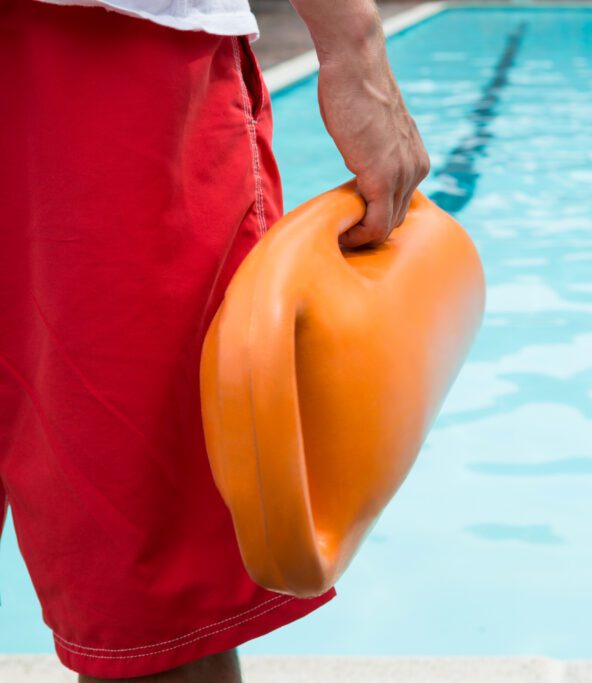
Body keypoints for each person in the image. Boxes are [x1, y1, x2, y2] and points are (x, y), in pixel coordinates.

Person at [0, 0, 428, 680]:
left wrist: (354, 46)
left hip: (105, 51)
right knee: (153, 611)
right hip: (108, 63)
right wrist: (354, 46)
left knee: (152, 607)